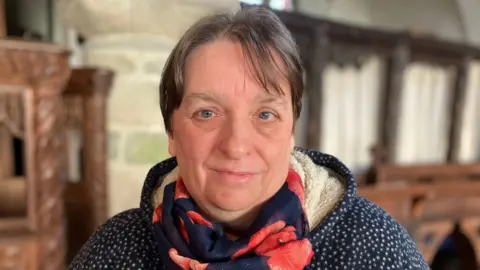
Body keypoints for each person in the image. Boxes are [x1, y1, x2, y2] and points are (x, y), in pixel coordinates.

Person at [69, 6, 429, 270]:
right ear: (172, 133)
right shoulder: (117, 250)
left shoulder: (372, 247)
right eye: (206, 113)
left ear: (291, 132)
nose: (236, 145)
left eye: (265, 115)